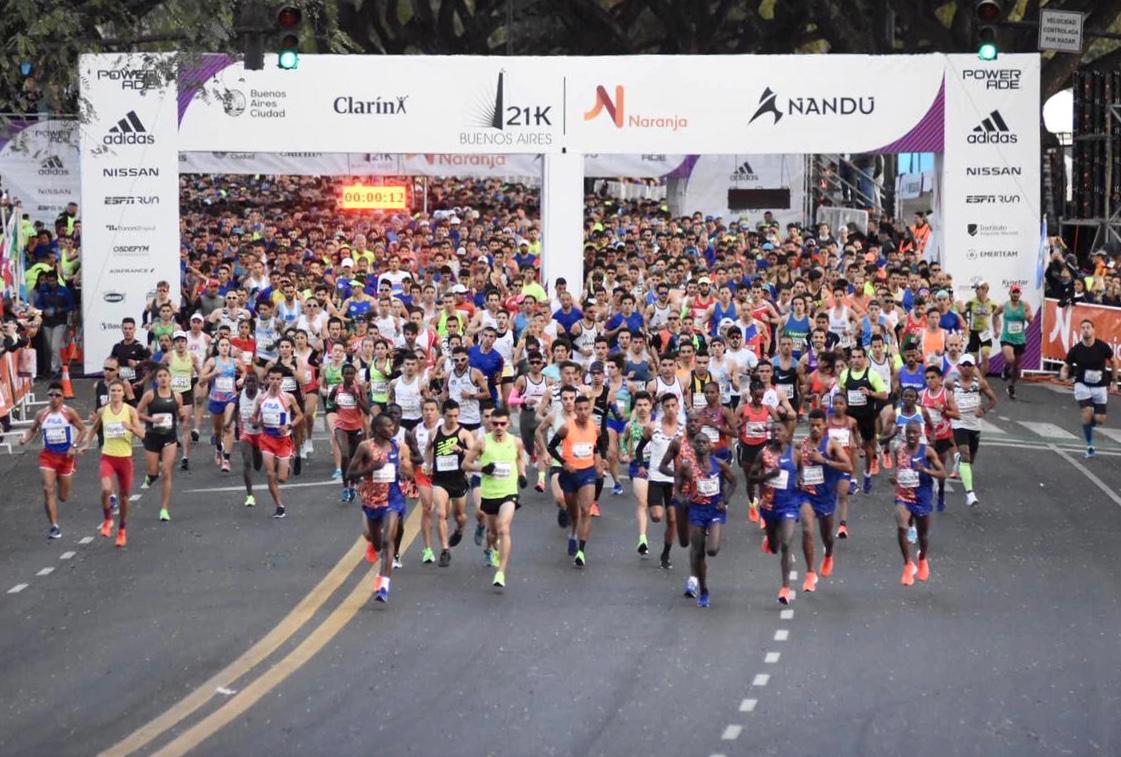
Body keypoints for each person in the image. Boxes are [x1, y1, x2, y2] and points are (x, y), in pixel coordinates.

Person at [348, 414, 413, 603]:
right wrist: (370, 469)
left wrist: (404, 473)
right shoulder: (365, 447)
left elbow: (408, 469)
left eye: (393, 426)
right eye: (387, 426)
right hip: (372, 500)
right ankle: (373, 545)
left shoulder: (397, 446)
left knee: (387, 542)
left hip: (393, 498)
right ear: (377, 429)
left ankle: (383, 585)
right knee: (377, 544)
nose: (392, 429)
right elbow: (350, 473)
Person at [464, 407, 527, 588]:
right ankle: (489, 548)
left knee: (503, 528)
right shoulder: (482, 443)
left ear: (508, 424)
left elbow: (520, 458)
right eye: (495, 423)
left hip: (509, 493)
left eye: (502, 424)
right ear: (490, 423)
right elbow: (465, 464)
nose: (499, 427)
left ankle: (500, 572)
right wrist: (482, 468)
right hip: (489, 494)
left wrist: (522, 474)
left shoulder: (516, 442)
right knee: (492, 533)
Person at [675, 432, 736, 608]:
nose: (701, 445)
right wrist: (682, 500)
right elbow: (677, 488)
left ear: (710, 445)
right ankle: (704, 590)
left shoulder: (719, 464)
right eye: (698, 442)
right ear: (693, 446)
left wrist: (725, 500)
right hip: (696, 510)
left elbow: (733, 482)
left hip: (714, 509)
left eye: (704, 442)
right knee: (698, 550)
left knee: (712, 550)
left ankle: (701, 582)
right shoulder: (686, 467)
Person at [19, 381, 86, 539]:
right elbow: (32, 430)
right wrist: (25, 439)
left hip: (66, 457)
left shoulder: (69, 413)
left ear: (63, 397)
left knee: (63, 497)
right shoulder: (42, 414)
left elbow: (82, 430)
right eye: (51, 395)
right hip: (48, 457)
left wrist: (74, 445)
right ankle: (54, 526)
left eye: (57, 395)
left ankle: (56, 501)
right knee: (48, 489)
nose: (53, 398)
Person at [81, 381, 144, 547]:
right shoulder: (103, 411)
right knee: (106, 489)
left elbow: (143, 434)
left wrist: (130, 427)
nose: (115, 393)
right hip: (108, 457)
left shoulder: (130, 411)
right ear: (109, 393)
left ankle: (122, 530)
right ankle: (108, 519)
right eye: (113, 390)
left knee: (124, 497)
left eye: (118, 390)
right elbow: (94, 428)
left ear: (123, 393)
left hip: (125, 459)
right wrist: (87, 443)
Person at [547, 393, 604, 567]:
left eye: (586, 409)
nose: (583, 412)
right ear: (575, 410)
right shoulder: (566, 428)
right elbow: (551, 447)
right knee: (574, 512)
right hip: (569, 475)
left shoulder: (595, 428)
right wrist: (564, 463)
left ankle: (581, 550)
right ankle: (573, 532)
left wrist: (600, 461)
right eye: (579, 409)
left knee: (586, 510)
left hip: (587, 473)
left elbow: (598, 446)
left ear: (590, 410)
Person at [798, 408, 852, 587]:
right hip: (807, 495)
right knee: (807, 530)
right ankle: (810, 572)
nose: (814, 428)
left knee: (827, 536)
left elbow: (848, 467)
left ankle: (828, 554)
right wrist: (797, 479)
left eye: (818, 425)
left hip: (826, 496)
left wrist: (825, 461)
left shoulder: (831, 445)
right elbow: (797, 467)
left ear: (824, 426)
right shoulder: (802, 445)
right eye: (811, 425)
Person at [750, 425, 802, 605]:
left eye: (781, 430)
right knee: (774, 547)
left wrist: (801, 480)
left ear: (787, 434)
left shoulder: (795, 452)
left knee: (787, 543)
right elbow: (752, 478)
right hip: (768, 506)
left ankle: (785, 588)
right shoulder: (763, 454)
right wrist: (768, 476)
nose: (777, 434)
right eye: (774, 431)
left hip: (789, 505)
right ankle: (770, 539)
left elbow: (802, 470)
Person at [891, 421, 946, 585]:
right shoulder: (899, 450)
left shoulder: (927, 451)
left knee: (922, 535)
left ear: (920, 434)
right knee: (902, 526)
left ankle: (922, 558)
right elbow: (898, 469)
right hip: (903, 496)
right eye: (909, 432)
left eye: (915, 432)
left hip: (922, 497)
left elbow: (942, 473)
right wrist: (894, 477)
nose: (911, 435)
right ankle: (908, 564)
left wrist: (925, 470)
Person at [636, 393, 684, 569]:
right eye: (667, 406)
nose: (670, 409)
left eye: (673, 406)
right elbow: (639, 449)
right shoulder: (652, 427)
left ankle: (666, 553)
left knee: (672, 520)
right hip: (656, 477)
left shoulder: (682, 430)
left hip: (674, 480)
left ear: (678, 407)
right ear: (662, 409)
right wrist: (641, 465)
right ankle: (653, 510)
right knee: (657, 516)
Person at [1060, 318, 1117, 458]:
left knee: (1099, 419)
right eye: (1083, 327)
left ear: (1093, 330)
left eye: (1088, 327)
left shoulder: (1102, 347)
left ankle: (1091, 422)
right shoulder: (1076, 349)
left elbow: (1114, 362)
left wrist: (1114, 381)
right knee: (1086, 412)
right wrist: (1063, 375)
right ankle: (1090, 445)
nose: (1085, 330)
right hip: (1082, 384)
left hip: (1100, 385)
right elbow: (1065, 366)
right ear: (1081, 331)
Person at [836, 344, 888, 494]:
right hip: (851, 416)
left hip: (867, 417)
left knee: (869, 447)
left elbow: (884, 395)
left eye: (859, 357)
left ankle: (867, 474)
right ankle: (853, 479)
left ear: (865, 359)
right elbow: (842, 393)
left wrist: (870, 393)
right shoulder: (845, 374)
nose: (856, 360)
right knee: (851, 447)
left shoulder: (872, 374)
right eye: (853, 357)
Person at [254, 366, 304, 519]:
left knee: (282, 478)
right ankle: (279, 505)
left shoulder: (288, 398)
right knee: (270, 474)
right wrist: (256, 422)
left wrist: (289, 425)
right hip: (267, 439)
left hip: (283, 441)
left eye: (278, 379)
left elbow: (300, 415)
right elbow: (256, 418)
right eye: (272, 379)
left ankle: (286, 465)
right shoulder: (261, 398)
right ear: (267, 379)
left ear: (282, 381)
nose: (275, 382)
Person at [429, 399, 474, 566]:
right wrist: (428, 465)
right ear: (443, 415)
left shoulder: (464, 434)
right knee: (441, 513)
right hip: (440, 479)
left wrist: (461, 450)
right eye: (449, 416)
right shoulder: (434, 432)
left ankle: (460, 529)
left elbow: (475, 453)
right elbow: (428, 448)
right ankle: (445, 550)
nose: (453, 419)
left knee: (460, 516)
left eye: (456, 416)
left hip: (458, 479)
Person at [136, 366, 183, 522]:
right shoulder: (150, 395)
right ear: (156, 380)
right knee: (154, 471)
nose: (163, 378)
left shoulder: (176, 396)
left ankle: (164, 509)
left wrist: (182, 416)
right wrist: (152, 420)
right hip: (152, 436)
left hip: (169, 437)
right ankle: (150, 476)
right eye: (160, 376)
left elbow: (180, 414)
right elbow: (137, 413)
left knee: (167, 471)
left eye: (165, 375)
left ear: (170, 378)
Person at [948, 354, 997, 507]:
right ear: (960, 367)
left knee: (970, 460)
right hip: (959, 423)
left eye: (971, 365)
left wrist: (983, 409)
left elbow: (993, 400)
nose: (967, 368)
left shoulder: (980, 384)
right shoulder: (951, 383)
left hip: (974, 425)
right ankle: (970, 493)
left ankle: (958, 463)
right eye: (965, 365)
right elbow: (941, 395)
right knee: (965, 455)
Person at [919, 365, 959, 512]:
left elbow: (957, 415)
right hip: (926, 438)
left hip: (943, 437)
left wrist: (943, 410)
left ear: (940, 379)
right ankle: (927, 498)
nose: (930, 381)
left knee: (940, 469)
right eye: (927, 378)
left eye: (933, 378)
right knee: (924, 470)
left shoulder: (946, 395)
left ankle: (941, 493)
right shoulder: (922, 395)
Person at [328, 363, 370, 503]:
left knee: (354, 459)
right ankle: (345, 487)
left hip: (357, 428)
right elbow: (330, 403)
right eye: (347, 373)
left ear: (355, 375)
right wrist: (335, 405)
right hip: (341, 427)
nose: (349, 376)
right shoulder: (337, 388)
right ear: (342, 374)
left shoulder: (360, 388)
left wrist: (356, 398)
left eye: (352, 373)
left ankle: (352, 486)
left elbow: (367, 410)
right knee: (345, 455)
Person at [198, 336, 240, 472]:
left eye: (227, 345)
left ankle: (226, 459)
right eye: (222, 345)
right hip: (216, 399)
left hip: (230, 398)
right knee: (217, 431)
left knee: (227, 426)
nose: (224, 347)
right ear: (217, 347)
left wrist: (243, 379)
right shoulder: (212, 361)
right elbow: (201, 380)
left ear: (230, 347)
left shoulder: (235, 362)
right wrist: (213, 374)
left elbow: (245, 371)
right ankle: (218, 448)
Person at [620, 391, 654, 555]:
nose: (642, 408)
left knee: (658, 509)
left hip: (657, 468)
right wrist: (624, 454)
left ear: (651, 406)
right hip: (638, 466)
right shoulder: (630, 426)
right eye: (639, 405)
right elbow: (623, 442)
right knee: (642, 502)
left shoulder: (657, 425)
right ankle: (642, 538)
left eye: (645, 405)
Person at [993, 283, 1032, 399]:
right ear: (1009, 293)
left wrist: (1027, 317)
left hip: (1019, 339)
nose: (1015, 294)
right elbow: (995, 315)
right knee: (1010, 358)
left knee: (1016, 369)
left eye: (1017, 292)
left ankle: (1011, 386)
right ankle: (1005, 368)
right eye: (1013, 292)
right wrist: (996, 329)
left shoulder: (1024, 305)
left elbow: (1031, 320)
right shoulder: (1004, 306)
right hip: (1007, 337)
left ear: (1020, 294)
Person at [231, 372, 264, 507]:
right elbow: (235, 410)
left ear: (258, 384)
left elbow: (268, 416)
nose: (251, 384)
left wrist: (259, 423)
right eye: (248, 382)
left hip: (260, 434)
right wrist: (230, 423)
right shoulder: (240, 395)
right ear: (245, 384)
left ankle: (257, 451)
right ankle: (250, 495)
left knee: (257, 464)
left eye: (253, 382)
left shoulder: (262, 396)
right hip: (246, 433)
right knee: (247, 462)